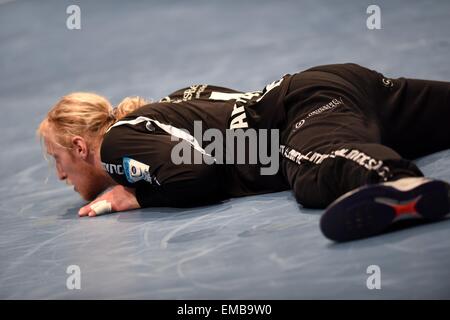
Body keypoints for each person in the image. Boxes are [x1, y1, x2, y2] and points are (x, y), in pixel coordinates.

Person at [37, 63, 450, 242]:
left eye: (58, 160)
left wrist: (139, 193)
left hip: (306, 113)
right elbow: (237, 114)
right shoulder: (172, 107)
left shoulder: (116, 143)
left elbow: (199, 174)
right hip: (340, 84)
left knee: (312, 173)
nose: (60, 176)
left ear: (79, 146)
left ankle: (395, 182)